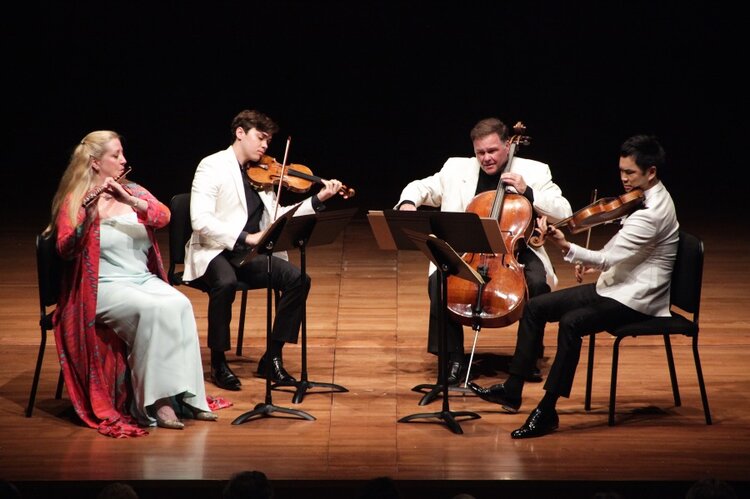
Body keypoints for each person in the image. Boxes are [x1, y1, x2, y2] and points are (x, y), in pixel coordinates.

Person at [469, 134, 678, 438]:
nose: (624, 179)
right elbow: (622, 248)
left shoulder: (652, 212)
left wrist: (566, 246)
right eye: (621, 171)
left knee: (571, 323)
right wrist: (590, 260)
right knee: (537, 306)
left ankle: (547, 410)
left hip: (637, 298)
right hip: (616, 285)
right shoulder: (643, 199)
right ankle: (512, 390)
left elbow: (608, 258)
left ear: (651, 172)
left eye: (630, 172)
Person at [46, 130, 217, 437]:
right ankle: (155, 402)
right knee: (152, 310)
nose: (124, 160)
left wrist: (131, 201)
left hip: (140, 278)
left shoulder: (134, 189)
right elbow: (64, 248)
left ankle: (189, 395)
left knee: (179, 303)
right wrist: (88, 214)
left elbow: (164, 217)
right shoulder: (75, 201)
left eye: (122, 153)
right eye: (116, 155)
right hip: (102, 287)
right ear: (96, 163)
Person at [395, 117, 572, 385]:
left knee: (536, 284)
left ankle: (528, 357)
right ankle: (452, 358)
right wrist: (409, 202)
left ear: (506, 145)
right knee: (439, 282)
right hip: (469, 248)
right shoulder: (456, 168)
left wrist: (528, 191)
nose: (486, 158)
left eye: (492, 151)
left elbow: (564, 211)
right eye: (480, 153)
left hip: (516, 249)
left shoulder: (535, 171)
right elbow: (422, 187)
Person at [183, 109, 343, 391]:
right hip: (214, 250)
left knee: (298, 280)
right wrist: (247, 238)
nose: (265, 146)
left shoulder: (262, 174)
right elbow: (200, 220)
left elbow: (279, 215)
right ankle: (218, 361)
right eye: (260, 138)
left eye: (268, 141)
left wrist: (317, 199)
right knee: (225, 282)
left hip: (247, 255)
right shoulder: (212, 166)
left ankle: (272, 356)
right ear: (240, 133)